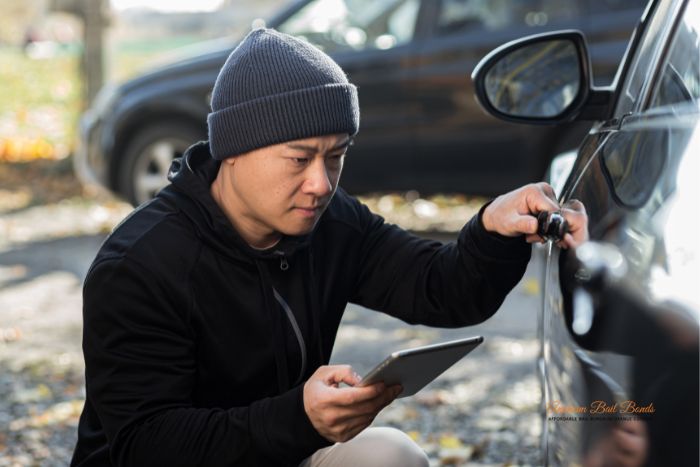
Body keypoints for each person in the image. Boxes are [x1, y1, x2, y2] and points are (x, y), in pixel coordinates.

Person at [71, 28, 586, 467]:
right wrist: (299, 419)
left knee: (390, 457)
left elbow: (442, 289)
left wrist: (493, 231)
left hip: (274, 451)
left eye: (336, 155)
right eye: (299, 159)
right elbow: (147, 446)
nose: (321, 183)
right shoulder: (139, 263)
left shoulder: (328, 220)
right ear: (232, 151)